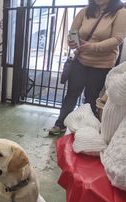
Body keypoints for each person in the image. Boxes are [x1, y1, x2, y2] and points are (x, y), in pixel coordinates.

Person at [49, 0, 126, 135]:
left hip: (102, 64)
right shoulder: (85, 11)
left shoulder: (120, 12)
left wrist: (92, 47)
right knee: (71, 94)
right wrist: (71, 41)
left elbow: (117, 39)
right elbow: (73, 32)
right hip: (80, 61)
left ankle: (84, 130)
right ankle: (60, 124)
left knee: (90, 98)